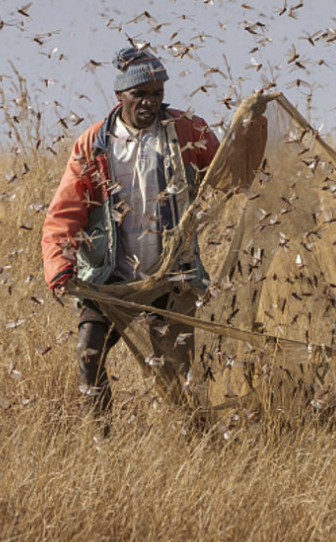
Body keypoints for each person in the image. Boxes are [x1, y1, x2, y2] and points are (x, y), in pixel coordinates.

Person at [41, 47, 220, 417]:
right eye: (140, 94)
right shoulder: (94, 145)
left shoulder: (189, 130)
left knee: (178, 377)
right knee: (88, 354)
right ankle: (101, 442)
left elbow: (230, 173)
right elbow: (65, 213)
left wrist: (253, 127)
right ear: (120, 95)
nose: (150, 103)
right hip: (111, 278)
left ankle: (199, 445)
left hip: (171, 275)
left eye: (157, 93)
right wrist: (60, 264)